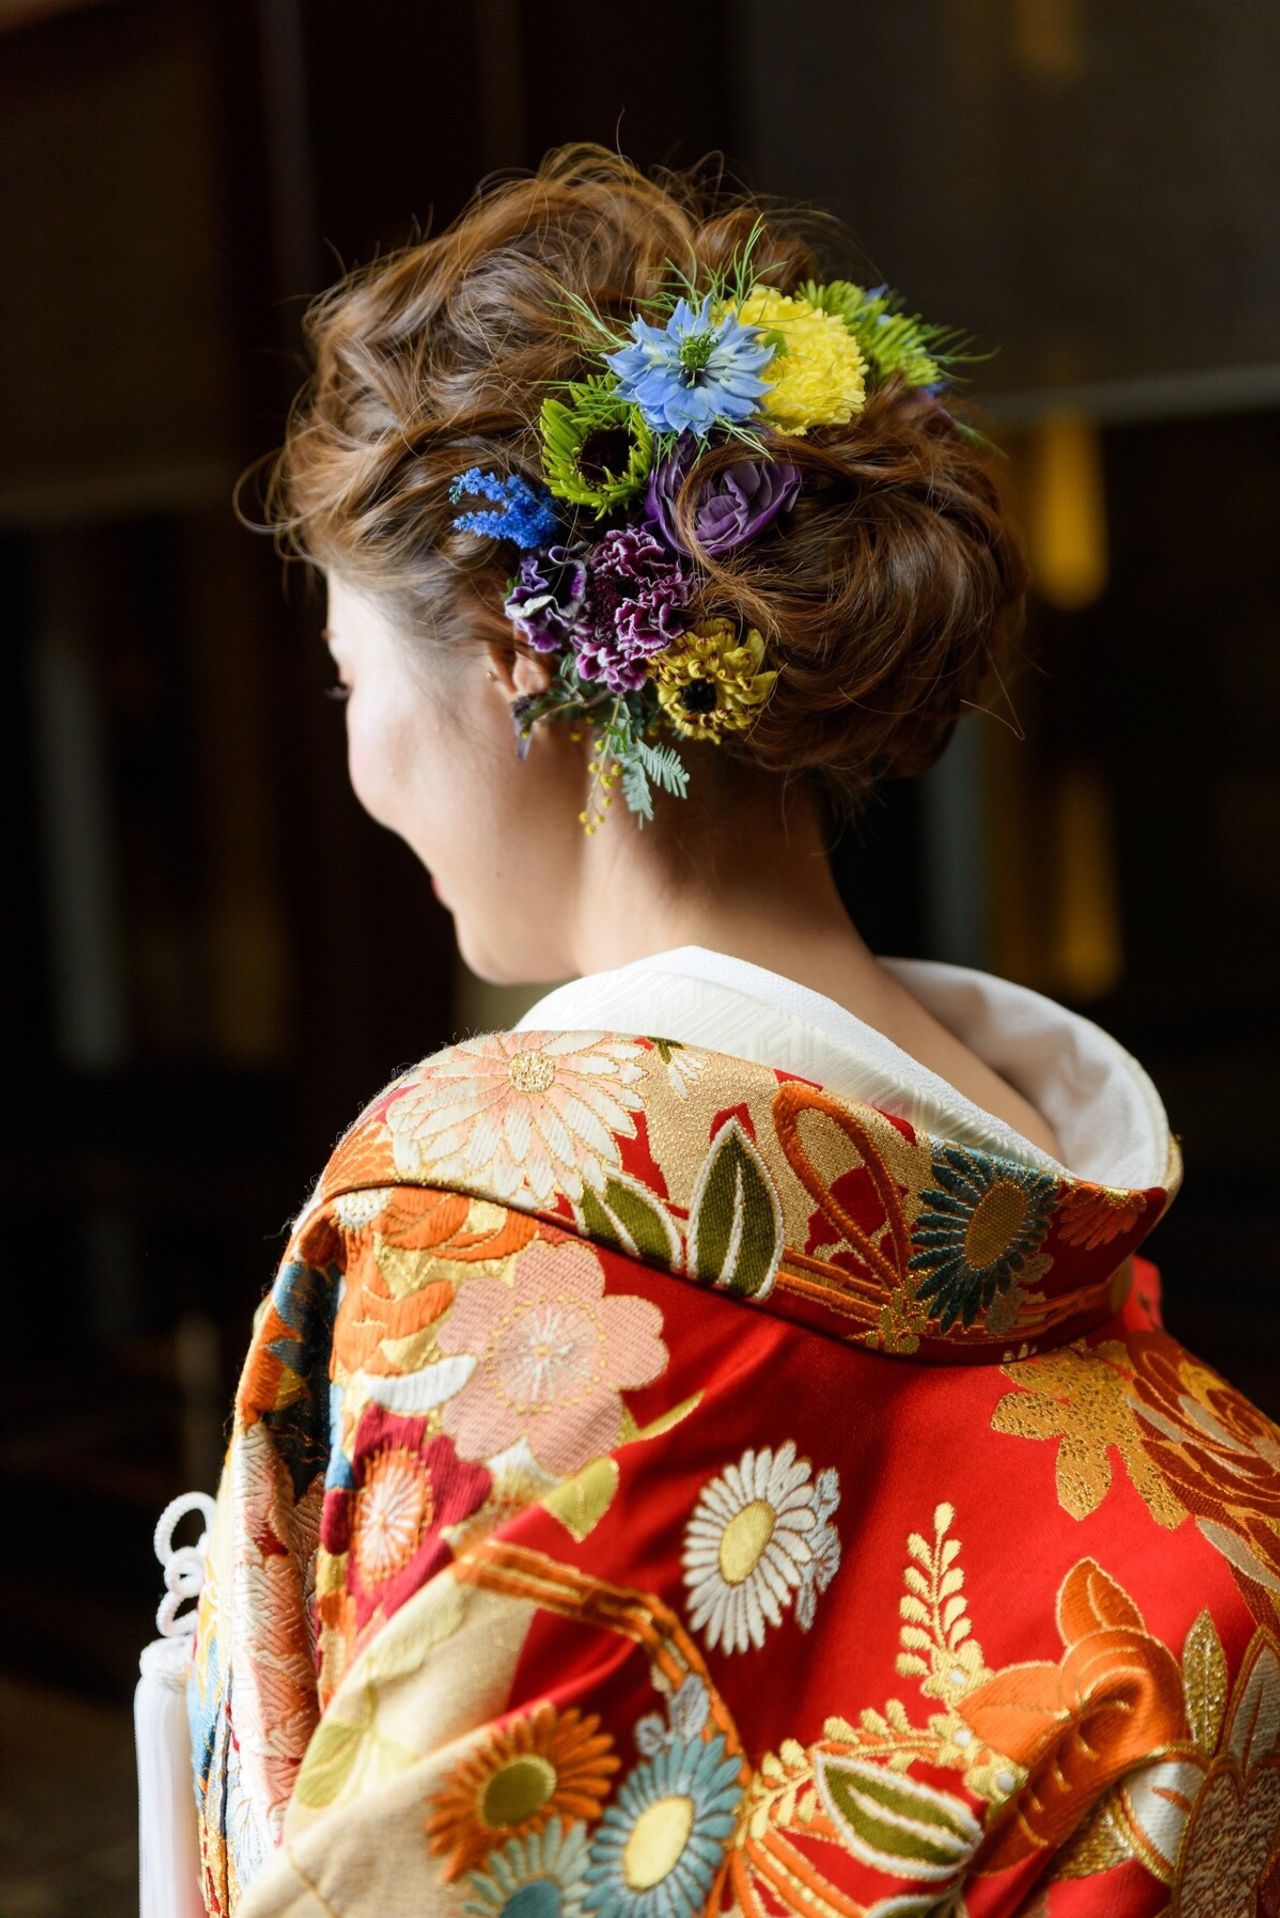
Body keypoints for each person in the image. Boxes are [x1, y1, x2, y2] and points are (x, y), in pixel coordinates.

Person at [184, 143, 1280, 1916]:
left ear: (512, 651)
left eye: (349, 679)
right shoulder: (1093, 1268)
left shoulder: (482, 1235)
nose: (357, 758)